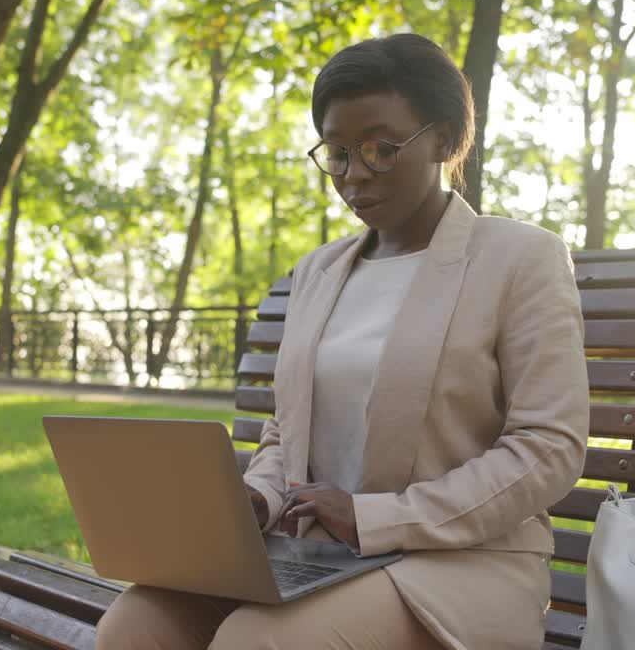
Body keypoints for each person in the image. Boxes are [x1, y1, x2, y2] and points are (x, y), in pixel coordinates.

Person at [96, 33, 589, 650]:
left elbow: (551, 447)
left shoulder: (520, 259)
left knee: (254, 642)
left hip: (460, 566)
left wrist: (374, 517)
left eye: (382, 148)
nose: (355, 174)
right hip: (313, 557)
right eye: (338, 152)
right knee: (133, 628)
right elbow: (285, 434)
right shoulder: (318, 272)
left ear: (444, 139)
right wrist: (257, 499)